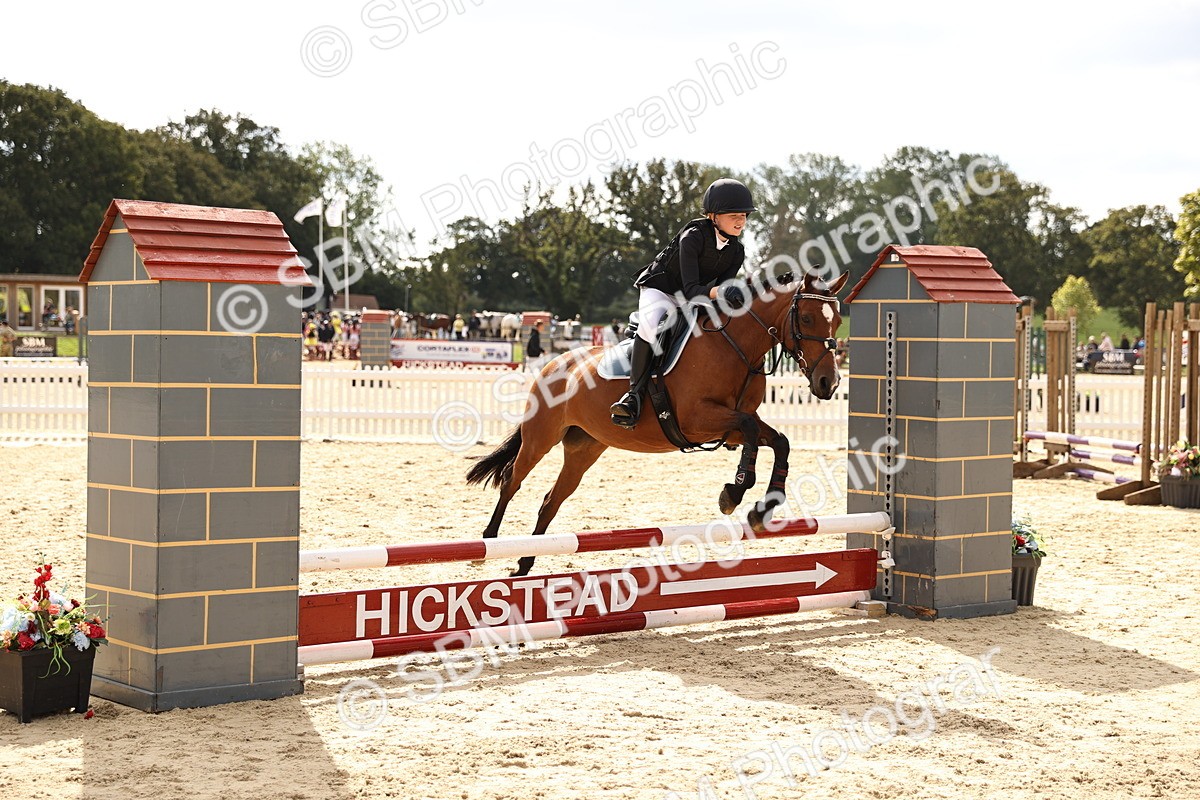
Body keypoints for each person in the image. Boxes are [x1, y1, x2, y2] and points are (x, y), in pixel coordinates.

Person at [610, 177, 752, 427]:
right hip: (660, 290)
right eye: (734, 216)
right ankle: (633, 397)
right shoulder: (693, 237)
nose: (740, 221)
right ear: (713, 216)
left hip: (694, 295)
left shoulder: (736, 251)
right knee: (650, 325)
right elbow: (692, 290)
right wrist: (721, 292)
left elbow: (720, 294)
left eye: (743, 215)